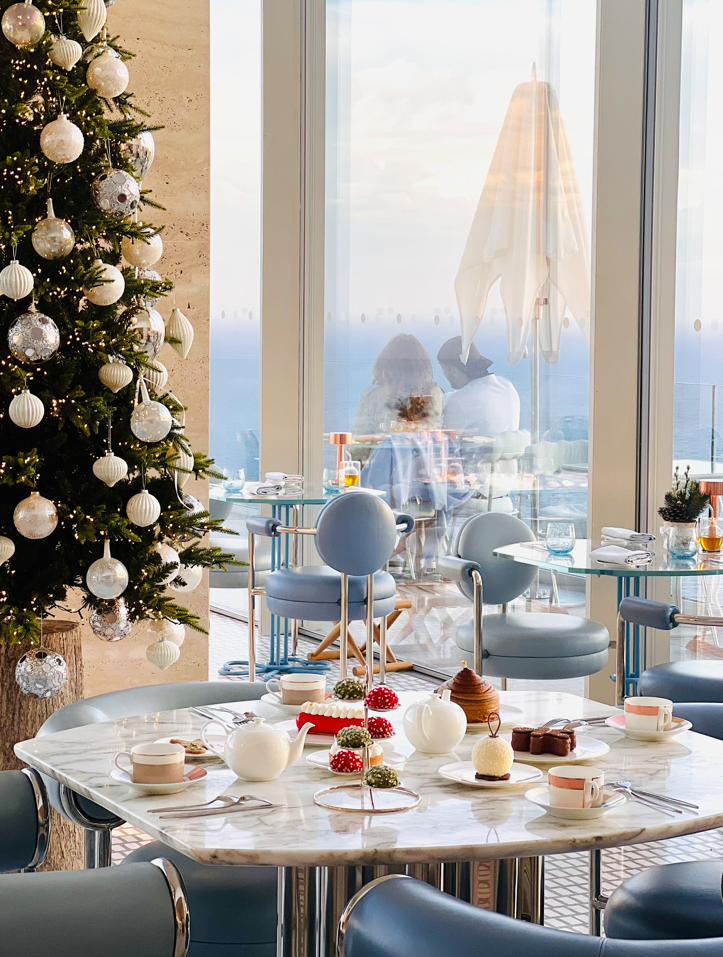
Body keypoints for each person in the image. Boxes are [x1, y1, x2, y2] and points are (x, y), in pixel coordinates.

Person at [352, 334, 444, 435]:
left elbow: (358, 443)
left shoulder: (373, 396)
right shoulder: (434, 394)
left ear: (387, 365)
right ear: (421, 366)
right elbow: (438, 434)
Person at [437, 336, 520, 436]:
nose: (443, 373)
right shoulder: (507, 386)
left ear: (454, 371)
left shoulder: (458, 400)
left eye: (443, 367)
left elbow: (446, 445)